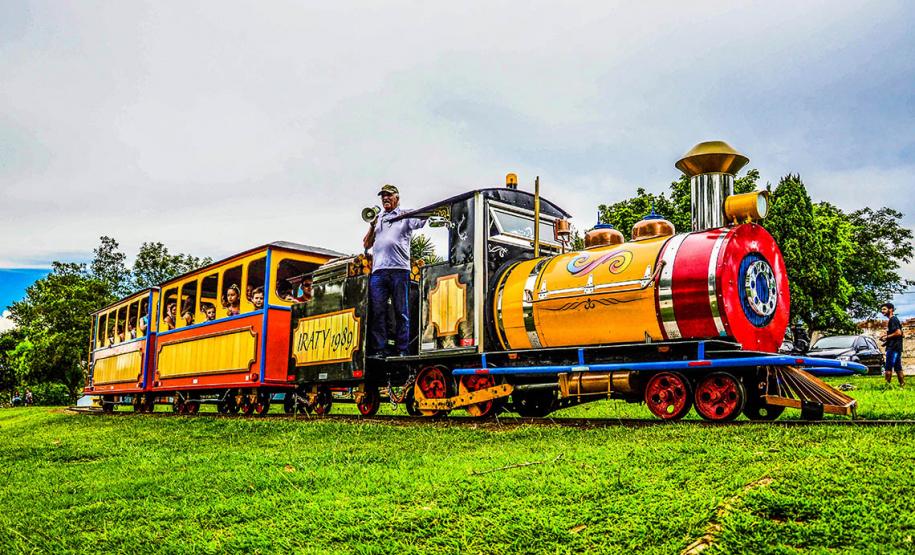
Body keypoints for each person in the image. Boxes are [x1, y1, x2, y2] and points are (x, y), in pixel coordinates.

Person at [362, 184, 426, 357]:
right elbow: (367, 244)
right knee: (378, 311)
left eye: (389, 195)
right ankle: (379, 350)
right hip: (379, 271)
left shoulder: (405, 215)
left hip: (399, 269)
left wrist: (418, 212)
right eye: (383, 196)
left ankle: (402, 350)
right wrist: (372, 225)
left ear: (397, 197)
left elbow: (422, 220)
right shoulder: (378, 217)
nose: (385, 198)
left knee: (401, 311)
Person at [880, 302, 905, 387]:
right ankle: (902, 385)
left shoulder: (893, 319)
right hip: (896, 347)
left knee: (888, 367)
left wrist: (887, 337)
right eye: (882, 309)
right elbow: (902, 334)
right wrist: (886, 341)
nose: (882, 311)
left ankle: (886, 386)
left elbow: (898, 333)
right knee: (898, 367)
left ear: (890, 310)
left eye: (884, 309)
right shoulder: (894, 320)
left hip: (893, 348)